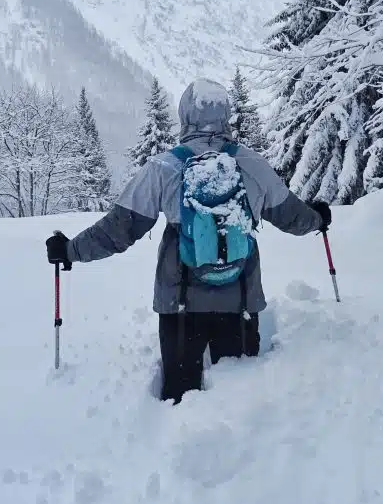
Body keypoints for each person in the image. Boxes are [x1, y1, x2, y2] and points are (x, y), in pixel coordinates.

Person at [45, 78, 331, 403]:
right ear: (226, 116)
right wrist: (319, 218)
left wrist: (70, 250)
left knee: (178, 403)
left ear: (184, 117)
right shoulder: (252, 165)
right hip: (239, 303)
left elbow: (118, 229)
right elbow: (293, 217)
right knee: (240, 404)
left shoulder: (165, 167)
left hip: (179, 306)